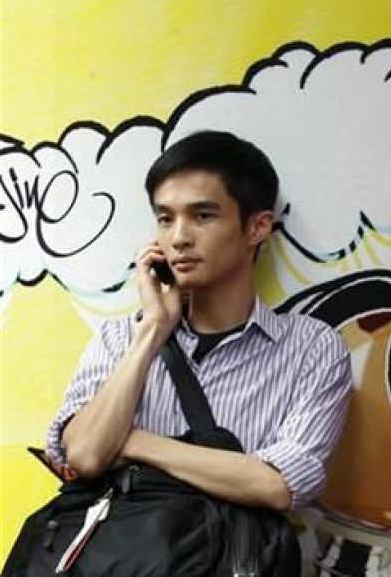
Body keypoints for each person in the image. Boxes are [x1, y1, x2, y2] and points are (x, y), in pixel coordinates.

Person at [46, 130, 351, 515]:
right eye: (165, 219)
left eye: (202, 216)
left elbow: (278, 485)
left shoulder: (311, 348)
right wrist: (153, 330)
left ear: (257, 227)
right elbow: (86, 455)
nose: (178, 238)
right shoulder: (120, 338)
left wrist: (134, 443)